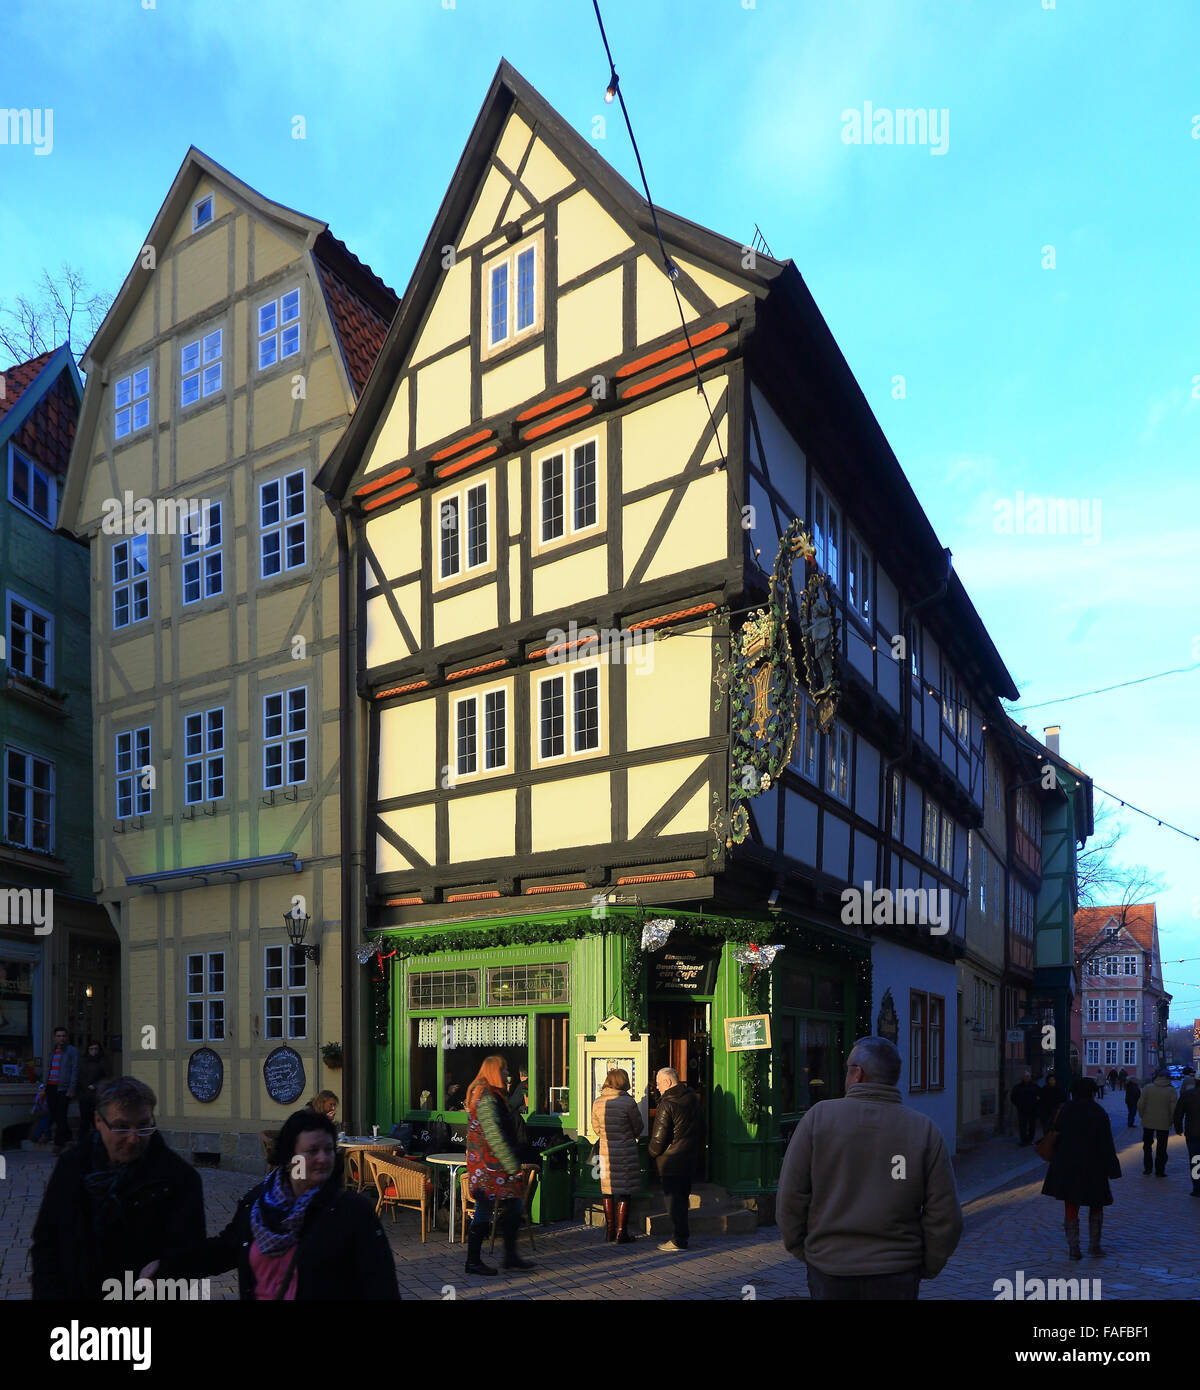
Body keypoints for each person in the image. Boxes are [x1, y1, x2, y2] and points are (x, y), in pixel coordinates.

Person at [778, 1036, 962, 1300]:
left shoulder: (818, 1119)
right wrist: (926, 1264)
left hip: (831, 1268)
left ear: (857, 1074)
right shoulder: (923, 1129)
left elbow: (790, 1198)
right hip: (897, 1271)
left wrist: (806, 1250)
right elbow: (946, 1215)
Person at [149, 1106, 398, 1299]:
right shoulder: (257, 1204)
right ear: (290, 1158)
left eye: (329, 1149)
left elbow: (381, 1288)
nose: (323, 1158)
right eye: (312, 1151)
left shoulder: (353, 1212)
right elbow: (223, 1251)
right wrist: (168, 1267)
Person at [31, 1076, 205, 1299]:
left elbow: (191, 1256)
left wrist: (168, 1268)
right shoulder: (72, 1167)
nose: (134, 1139)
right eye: (122, 1127)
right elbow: (47, 1242)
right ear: (98, 1121)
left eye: (143, 1126)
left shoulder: (180, 1178)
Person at [463, 1055, 533, 1276]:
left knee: (510, 1204)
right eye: (503, 1070)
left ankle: (508, 1256)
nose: (507, 1074)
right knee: (494, 1207)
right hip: (491, 1166)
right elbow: (494, 1134)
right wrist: (512, 1165)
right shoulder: (486, 1097)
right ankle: (475, 1261)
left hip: (487, 1164)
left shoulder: (486, 1094)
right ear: (494, 1072)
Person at [1041, 1075, 1121, 1258]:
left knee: (1071, 1205)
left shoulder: (1063, 1110)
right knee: (1097, 1204)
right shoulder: (1098, 1112)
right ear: (1093, 1092)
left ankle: (1073, 1248)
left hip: (1066, 1164)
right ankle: (1094, 1246)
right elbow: (1107, 1143)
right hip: (1094, 1166)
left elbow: (1049, 1132)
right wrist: (1112, 1168)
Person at [648, 1066, 703, 1253]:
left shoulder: (667, 1104)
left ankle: (678, 1240)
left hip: (671, 1161)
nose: (657, 1087)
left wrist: (651, 1153)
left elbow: (658, 1140)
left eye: (658, 1083)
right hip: (689, 1156)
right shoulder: (692, 1097)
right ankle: (681, 1237)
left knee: (674, 1201)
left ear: (668, 1082)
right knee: (682, 1198)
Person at [590, 1068, 643, 1244]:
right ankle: (622, 1233)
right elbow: (638, 1127)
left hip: (605, 1151)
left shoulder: (598, 1102)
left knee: (607, 1191)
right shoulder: (628, 1102)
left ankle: (609, 1231)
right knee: (624, 1192)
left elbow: (596, 1129)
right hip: (626, 1150)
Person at [44, 1026, 79, 1153]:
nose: (61, 1038)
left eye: (63, 1036)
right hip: (51, 1086)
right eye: (58, 1036)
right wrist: (44, 1086)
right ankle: (68, 1136)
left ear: (67, 1037)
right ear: (55, 1038)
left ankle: (58, 1144)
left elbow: (75, 1070)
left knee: (61, 1114)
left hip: (63, 1087)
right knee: (55, 1114)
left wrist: (72, 1088)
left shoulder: (71, 1051)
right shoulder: (52, 1051)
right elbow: (48, 1068)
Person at [1137, 1069, 1177, 1176]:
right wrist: (1172, 1121)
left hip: (1148, 1121)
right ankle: (1160, 1170)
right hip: (1164, 1122)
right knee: (1162, 1147)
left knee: (1147, 1146)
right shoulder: (1171, 1090)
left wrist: (1143, 1116)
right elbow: (1173, 1109)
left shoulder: (1148, 1088)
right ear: (1168, 1077)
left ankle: (1148, 1168)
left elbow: (1140, 1105)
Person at [77, 1042, 110, 1140]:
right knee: (84, 1120)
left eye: (96, 1049)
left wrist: (96, 1085)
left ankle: (98, 1140)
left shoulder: (103, 1062)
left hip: (97, 1095)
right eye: (91, 1049)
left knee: (96, 1119)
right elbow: (79, 1076)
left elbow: (107, 1078)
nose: (94, 1051)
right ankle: (83, 1141)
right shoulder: (83, 1062)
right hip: (84, 1094)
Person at [1173, 1076, 1200, 1197]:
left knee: (1195, 1160)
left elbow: (1178, 1114)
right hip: (1193, 1133)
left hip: (1193, 1132)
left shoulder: (1188, 1095)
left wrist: (1178, 1128)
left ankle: (1197, 1188)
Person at [1010, 1070, 1040, 1147]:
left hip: (1032, 1109)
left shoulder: (1035, 1086)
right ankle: (1024, 1140)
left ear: (1030, 1077)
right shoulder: (1018, 1087)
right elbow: (1013, 1097)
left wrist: (1036, 1105)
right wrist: (1019, 1105)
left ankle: (1030, 1140)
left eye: (1028, 1076)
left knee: (1031, 1126)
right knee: (1022, 1126)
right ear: (1023, 1077)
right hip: (1022, 1110)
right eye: (1025, 1076)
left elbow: (1040, 1096)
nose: (1026, 1078)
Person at [1037, 1073, 1062, 1140]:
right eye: (1050, 1080)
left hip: (1055, 1112)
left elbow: (1061, 1099)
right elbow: (1040, 1101)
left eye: (1053, 1080)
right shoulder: (1044, 1089)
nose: (1052, 1081)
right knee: (1046, 1128)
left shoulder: (1058, 1090)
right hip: (1045, 1112)